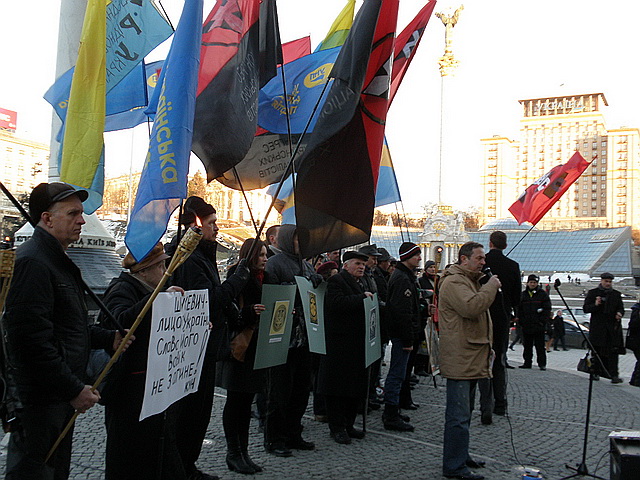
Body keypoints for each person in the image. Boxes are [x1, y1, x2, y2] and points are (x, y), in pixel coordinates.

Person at [4, 182, 126, 479]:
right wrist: (72, 389)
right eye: (73, 213)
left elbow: (69, 327)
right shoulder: (33, 262)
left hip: (56, 399)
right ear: (47, 219)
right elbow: (31, 342)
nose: (82, 220)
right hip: (40, 403)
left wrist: (109, 338)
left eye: (81, 213)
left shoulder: (56, 259)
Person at [168, 196, 250, 480]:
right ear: (196, 224)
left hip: (205, 346)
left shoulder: (203, 255)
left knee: (198, 414)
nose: (217, 228)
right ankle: (182, 469)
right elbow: (209, 299)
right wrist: (238, 279)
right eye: (212, 223)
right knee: (191, 414)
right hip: (193, 351)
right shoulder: (190, 258)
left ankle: (187, 466)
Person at [102, 243, 185, 480]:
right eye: (160, 266)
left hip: (151, 389)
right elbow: (120, 323)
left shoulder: (152, 289)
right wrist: (156, 299)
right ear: (143, 272)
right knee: (129, 459)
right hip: (129, 392)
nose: (165, 270)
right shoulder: (121, 289)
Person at [438, 242, 500, 480]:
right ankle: (454, 466)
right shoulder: (455, 282)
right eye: (479, 258)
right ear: (464, 259)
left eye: (484, 258)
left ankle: (460, 456)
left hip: (471, 354)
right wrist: (491, 287)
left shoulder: (468, 280)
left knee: (465, 413)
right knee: (458, 415)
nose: (483, 262)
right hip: (460, 356)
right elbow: (471, 308)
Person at [263, 225, 321, 456]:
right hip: (282, 338)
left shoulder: (306, 264)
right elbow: (270, 294)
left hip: (305, 339)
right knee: (278, 393)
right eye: (297, 239)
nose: (300, 244)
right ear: (288, 240)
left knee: (300, 390)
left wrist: (316, 281)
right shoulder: (274, 264)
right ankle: (274, 438)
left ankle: (293, 433)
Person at [216, 238, 270, 474]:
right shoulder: (237, 276)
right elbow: (228, 310)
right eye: (261, 255)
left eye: (266, 255)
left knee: (247, 401)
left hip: (257, 347)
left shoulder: (265, 278)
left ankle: (244, 451)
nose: (266, 259)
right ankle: (233, 452)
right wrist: (249, 312)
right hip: (241, 347)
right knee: (236, 401)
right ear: (250, 256)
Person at [318, 251, 373, 444]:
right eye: (358, 263)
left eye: (363, 264)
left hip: (357, 344)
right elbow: (335, 304)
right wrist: (361, 299)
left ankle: (349, 424)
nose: (361, 267)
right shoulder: (337, 282)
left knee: (354, 388)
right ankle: (337, 427)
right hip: (338, 345)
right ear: (346, 265)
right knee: (337, 390)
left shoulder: (363, 282)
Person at [477, 231, 521, 425]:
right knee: (499, 360)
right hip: (503, 319)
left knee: (482, 361)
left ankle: (484, 405)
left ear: (490, 243)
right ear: (505, 245)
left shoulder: (482, 265)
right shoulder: (513, 266)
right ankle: (500, 404)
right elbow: (518, 298)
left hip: (482, 317)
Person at [382, 242, 422, 432]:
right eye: (416, 255)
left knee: (400, 373)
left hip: (404, 333)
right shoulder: (402, 279)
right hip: (401, 335)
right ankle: (390, 413)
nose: (419, 258)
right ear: (407, 257)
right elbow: (401, 312)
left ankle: (394, 408)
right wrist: (408, 339)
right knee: (396, 374)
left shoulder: (406, 276)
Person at [583, 272, 625, 383]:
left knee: (613, 353)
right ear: (601, 281)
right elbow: (586, 308)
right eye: (606, 281)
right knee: (596, 352)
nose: (608, 283)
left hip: (612, 329)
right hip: (598, 329)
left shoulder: (616, 294)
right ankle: (595, 372)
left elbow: (621, 308)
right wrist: (596, 305)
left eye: (610, 282)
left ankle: (614, 375)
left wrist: (620, 313)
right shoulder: (593, 293)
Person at [517, 274, 551, 371]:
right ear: (527, 283)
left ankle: (542, 364)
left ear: (537, 283)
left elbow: (547, 309)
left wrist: (542, 322)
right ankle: (527, 362)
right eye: (531, 282)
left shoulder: (543, 294)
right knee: (527, 346)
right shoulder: (523, 295)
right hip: (527, 325)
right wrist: (522, 321)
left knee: (540, 346)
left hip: (538, 326)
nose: (532, 284)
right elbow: (519, 309)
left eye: (534, 282)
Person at [627, 297, 640, 387]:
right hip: (637, 340)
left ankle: (634, 380)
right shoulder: (637, 310)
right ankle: (636, 381)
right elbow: (633, 324)